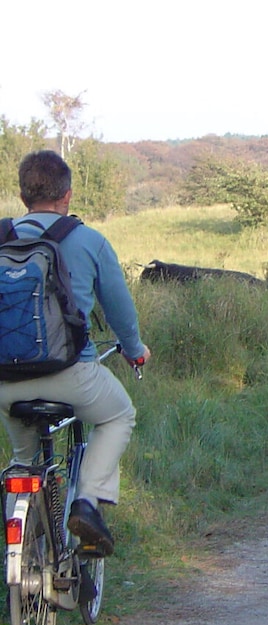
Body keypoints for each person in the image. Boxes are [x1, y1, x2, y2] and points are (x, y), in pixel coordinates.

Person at [0, 150, 150, 558]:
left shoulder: (2, 237)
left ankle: (22, 547)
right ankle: (87, 502)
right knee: (119, 415)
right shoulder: (88, 240)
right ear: (66, 195)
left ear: (23, 196)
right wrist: (135, 351)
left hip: (7, 383)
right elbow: (120, 311)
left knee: (24, 461)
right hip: (73, 374)